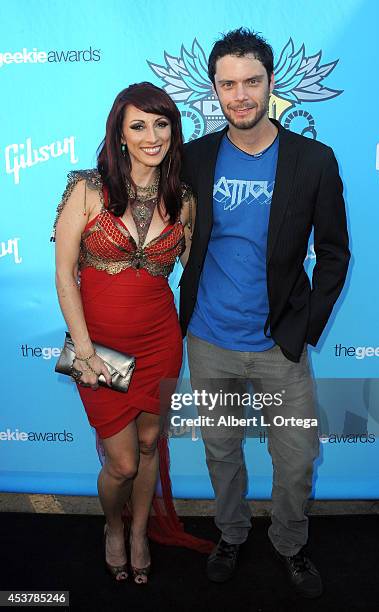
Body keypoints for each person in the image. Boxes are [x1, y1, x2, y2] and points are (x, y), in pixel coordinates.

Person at [180, 28, 350, 598]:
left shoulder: (313, 160)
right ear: (215, 91)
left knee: (297, 457)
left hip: (280, 343)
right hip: (208, 340)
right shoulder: (195, 157)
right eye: (228, 84)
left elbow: (334, 253)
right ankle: (230, 532)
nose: (240, 95)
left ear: (271, 84)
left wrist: (305, 329)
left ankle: (289, 543)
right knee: (221, 449)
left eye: (251, 81)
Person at [54, 82, 212, 585]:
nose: (151, 135)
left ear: (173, 131)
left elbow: (195, 271)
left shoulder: (182, 199)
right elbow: (64, 275)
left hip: (160, 342)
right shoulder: (87, 188)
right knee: (121, 462)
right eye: (138, 125)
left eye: (161, 124)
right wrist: (83, 351)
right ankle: (112, 526)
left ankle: (139, 531)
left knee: (149, 444)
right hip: (97, 348)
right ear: (120, 134)